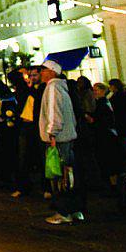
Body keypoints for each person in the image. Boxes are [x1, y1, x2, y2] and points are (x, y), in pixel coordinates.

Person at [37, 59, 83, 224]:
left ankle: (63, 212)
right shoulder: (62, 88)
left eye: (44, 70)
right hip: (67, 138)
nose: (41, 73)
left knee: (59, 176)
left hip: (58, 139)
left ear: (52, 72)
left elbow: (54, 112)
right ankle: (75, 209)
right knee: (69, 175)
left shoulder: (53, 88)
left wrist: (52, 134)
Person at [13, 68, 43, 198]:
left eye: (35, 75)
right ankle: (23, 186)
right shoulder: (24, 89)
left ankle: (46, 187)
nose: (32, 77)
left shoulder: (42, 89)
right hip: (26, 125)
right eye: (30, 75)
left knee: (41, 157)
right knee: (23, 157)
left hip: (38, 126)